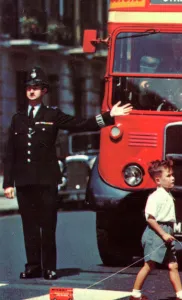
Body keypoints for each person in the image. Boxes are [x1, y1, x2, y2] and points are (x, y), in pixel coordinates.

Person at [2, 66, 132, 280]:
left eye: (36, 87)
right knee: (29, 227)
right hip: (25, 182)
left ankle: (49, 267)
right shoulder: (17, 118)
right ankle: (33, 266)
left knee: (47, 225)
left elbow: (81, 124)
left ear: (44, 91)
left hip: (46, 180)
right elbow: (10, 153)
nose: (31, 91)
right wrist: (8, 183)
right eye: (29, 88)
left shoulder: (52, 115)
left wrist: (109, 116)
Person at [130, 159, 182, 300]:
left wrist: (169, 233)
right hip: (156, 233)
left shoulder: (167, 194)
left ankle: (181, 296)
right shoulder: (155, 197)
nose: (173, 178)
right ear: (158, 180)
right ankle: (135, 294)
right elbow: (150, 219)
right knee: (149, 265)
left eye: (172, 175)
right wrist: (164, 234)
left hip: (166, 232)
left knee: (173, 265)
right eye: (169, 176)